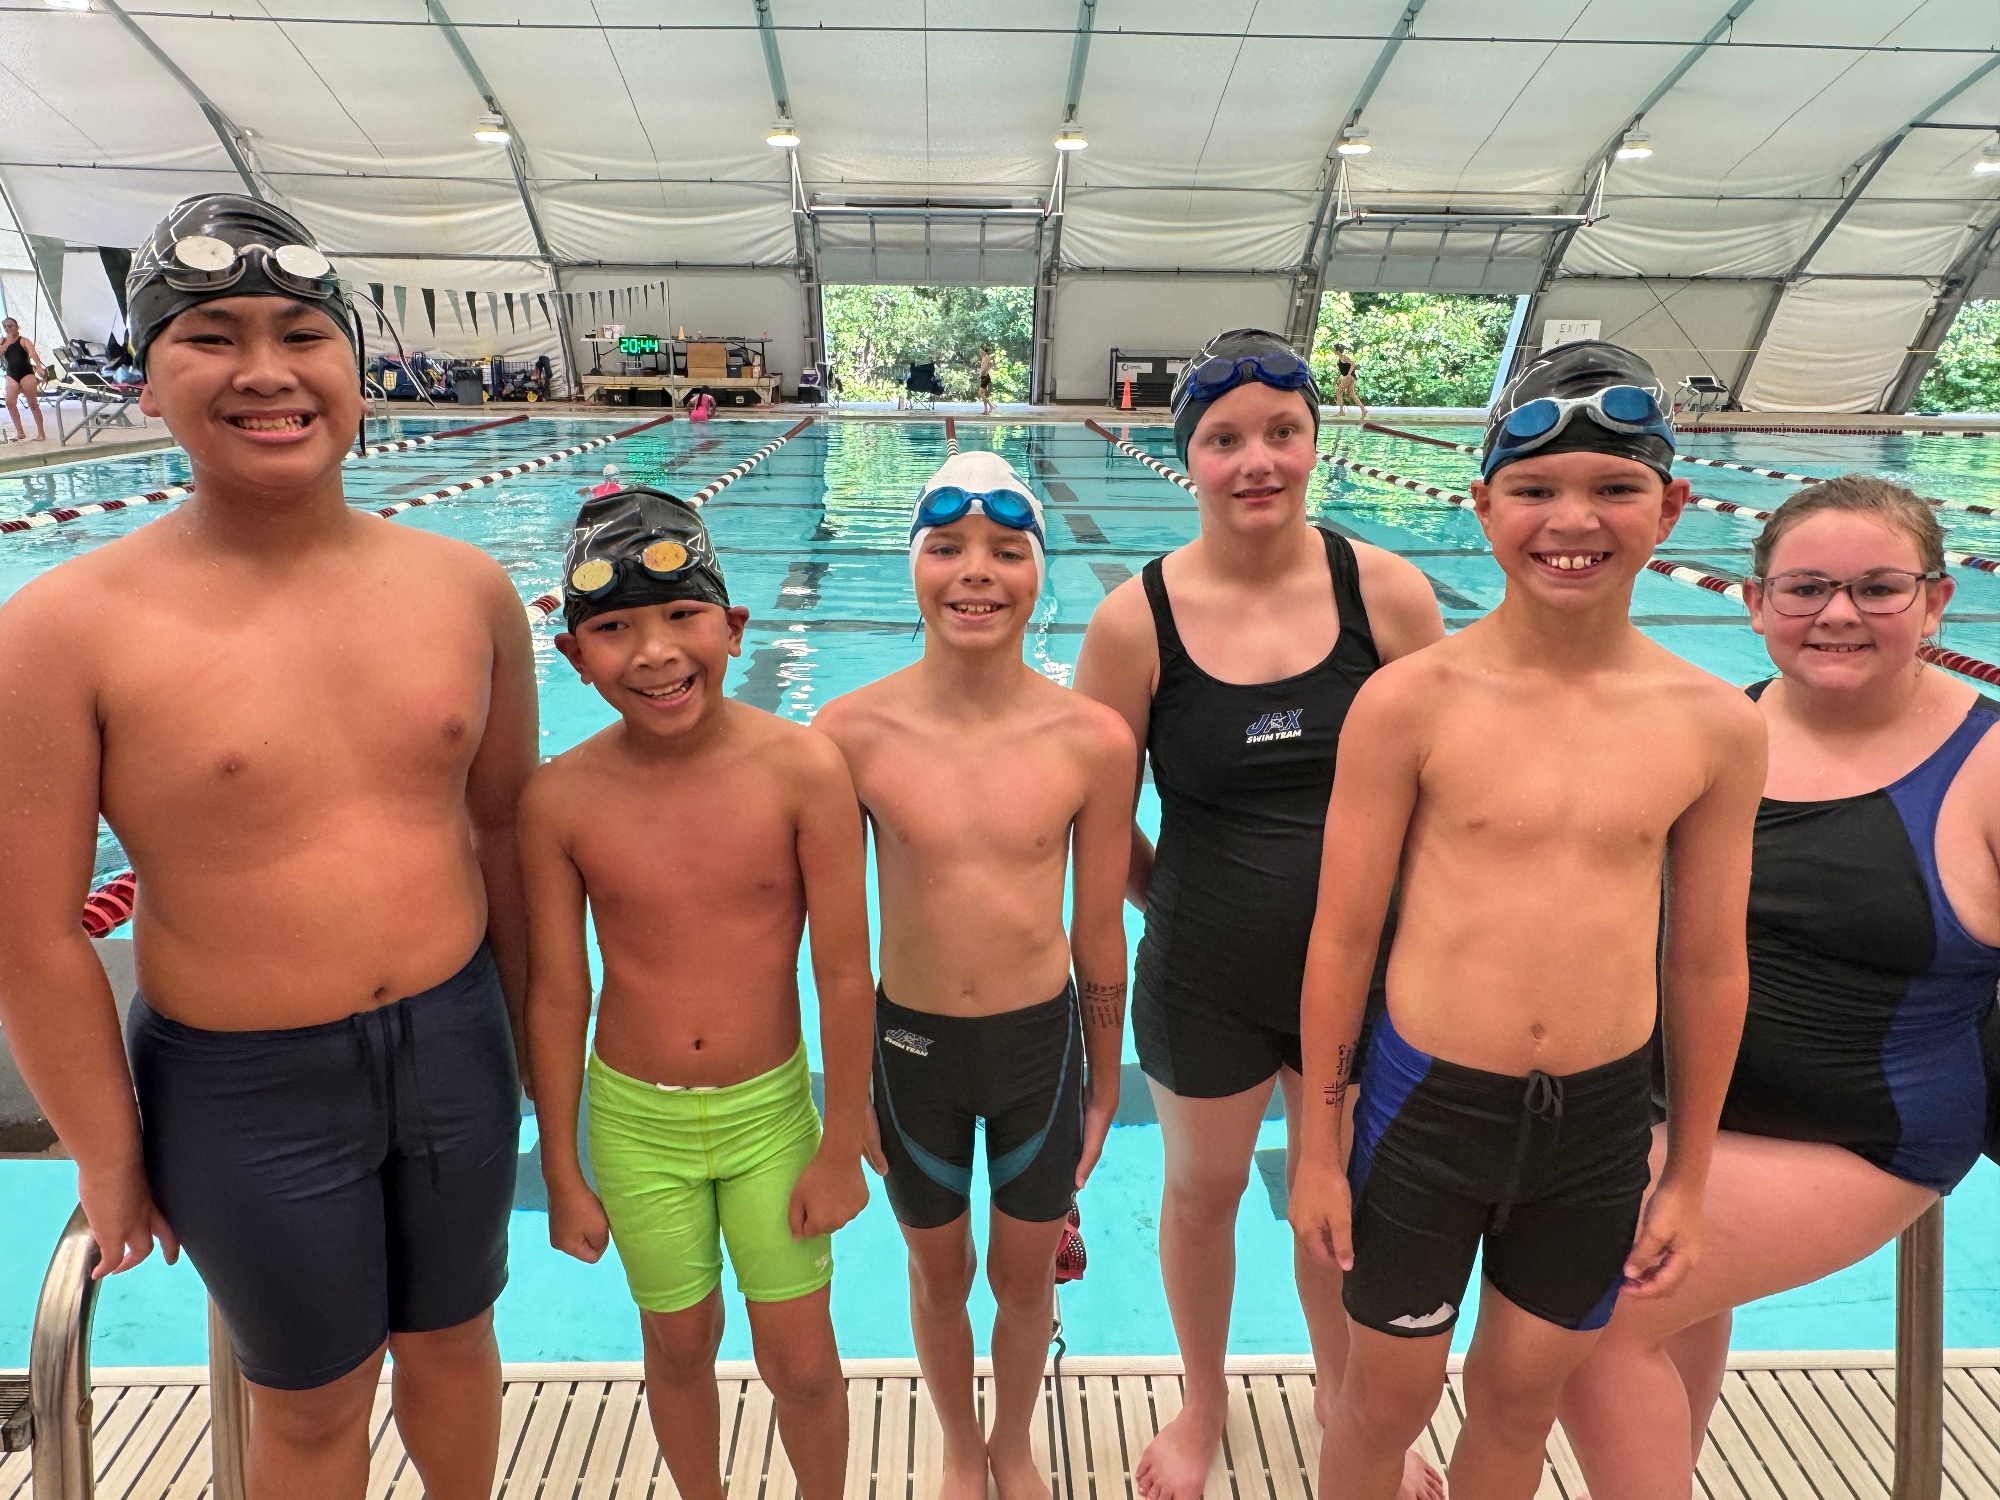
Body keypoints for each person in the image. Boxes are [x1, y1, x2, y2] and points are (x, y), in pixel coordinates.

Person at [0, 193, 536, 1500]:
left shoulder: (464, 590)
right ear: (148, 377)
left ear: (354, 365)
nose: (265, 372)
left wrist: (536, 1052)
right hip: (244, 1084)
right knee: (309, 1406)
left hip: (457, 1042)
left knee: (457, 1346)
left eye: (302, 334)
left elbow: (508, 831)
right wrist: (110, 1158)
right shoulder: (63, 629)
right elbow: (30, 934)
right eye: (211, 338)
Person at [1286, 340, 1765, 1500]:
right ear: (1483, 506)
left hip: (1596, 1130)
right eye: (1535, 489)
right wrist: (1317, 1151)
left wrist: (1686, 1177)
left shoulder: (1712, 722)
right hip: (1424, 1111)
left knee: (1518, 1401)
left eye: (1614, 488)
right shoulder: (1409, 701)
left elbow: (1706, 965)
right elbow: (1340, 939)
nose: (1573, 520)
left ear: (1670, 509)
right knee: (1383, 1402)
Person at [1555, 474, 2000, 1498]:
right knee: (1658, 1296)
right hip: (1683, 1112)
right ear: (1755, 604)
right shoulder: (1713, 731)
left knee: (1593, 1304)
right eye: (1805, 588)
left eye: (1877, 587)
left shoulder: (1985, 769)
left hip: (1862, 1134)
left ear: (1935, 601)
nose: (1838, 614)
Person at [1073, 327, 1447, 1500]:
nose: (1256, 461)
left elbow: (1446, 786)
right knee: (1203, 1194)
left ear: (1313, 442)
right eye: (1225, 439)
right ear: (1187, 457)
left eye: (1281, 432)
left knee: (1341, 1200)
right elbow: (1097, 815)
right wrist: (1175, 902)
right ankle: (1201, 1400)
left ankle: (1344, 1400)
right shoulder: (1133, 622)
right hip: (1206, 977)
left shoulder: (1383, 592)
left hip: (1372, 974)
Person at [523, 486, 874, 1500]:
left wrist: (842, 1144)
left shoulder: (803, 770)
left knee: (801, 1360)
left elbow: (844, 973)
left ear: (734, 628)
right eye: (614, 630)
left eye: (682, 616)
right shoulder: (560, 798)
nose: (655, 653)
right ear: (574, 656)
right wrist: (562, 1168)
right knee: (677, 1349)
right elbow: (558, 994)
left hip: (772, 1116)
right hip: (634, 1124)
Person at [816, 451, 1134, 1500]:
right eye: (946, 547)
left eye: (1006, 550)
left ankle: (1014, 1443)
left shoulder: (1092, 739)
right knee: (938, 1272)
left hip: (1039, 1048)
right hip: (911, 1049)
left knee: (1021, 1277)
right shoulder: (849, 735)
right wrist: (846, 1095)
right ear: (911, 565)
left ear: (1039, 571)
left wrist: (1103, 1080)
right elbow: (836, 948)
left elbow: (1099, 934)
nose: (976, 572)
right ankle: (960, 1447)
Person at [3, 316, 46, 442]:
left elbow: (33, 354)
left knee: (33, 404)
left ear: (16, 327)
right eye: (5, 327)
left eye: (10, 326)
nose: (7, 329)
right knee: (9, 402)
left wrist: (39, 367)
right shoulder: (3, 341)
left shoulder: (23, 340)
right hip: (12, 375)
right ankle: (20, 432)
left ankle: (41, 433)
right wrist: (7, 343)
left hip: (26, 373)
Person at [1332, 343, 1365, 420]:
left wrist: (1348, 375)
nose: (1333, 351)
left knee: (1339, 392)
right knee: (1352, 395)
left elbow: (1353, 364)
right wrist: (1337, 378)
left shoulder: (1344, 357)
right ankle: (1363, 410)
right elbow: (1343, 369)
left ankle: (1341, 411)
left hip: (1349, 377)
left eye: (1334, 349)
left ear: (1338, 350)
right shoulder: (1340, 359)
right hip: (1349, 377)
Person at [978, 346, 995, 415]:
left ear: (984, 351)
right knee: (983, 394)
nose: (980, 352)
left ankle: (991, 405)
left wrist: (983, 372)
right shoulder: (984, 357)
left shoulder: (986, 357)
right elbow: (991, 365)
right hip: (984, 376)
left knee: (980, 393)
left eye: (981, 351)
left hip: (985, 377)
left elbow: (984, 368)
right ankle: (986, 410)